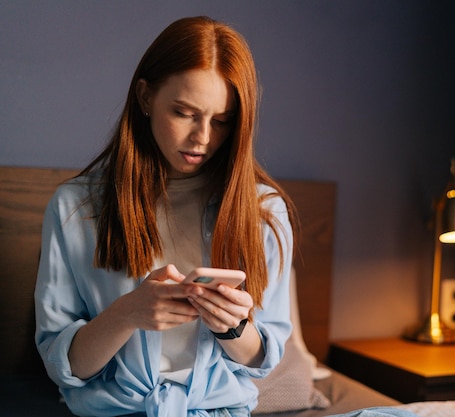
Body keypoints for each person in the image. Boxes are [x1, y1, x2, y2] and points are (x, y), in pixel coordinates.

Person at [34, 16, 295, 417]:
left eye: (222, 121)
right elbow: (62, 366)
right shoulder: (75, 208)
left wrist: (233, 327)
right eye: (185, 113)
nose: (203, 138)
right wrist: (128, 313)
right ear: (144, 98)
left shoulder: (263, 211)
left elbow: (261, 361)